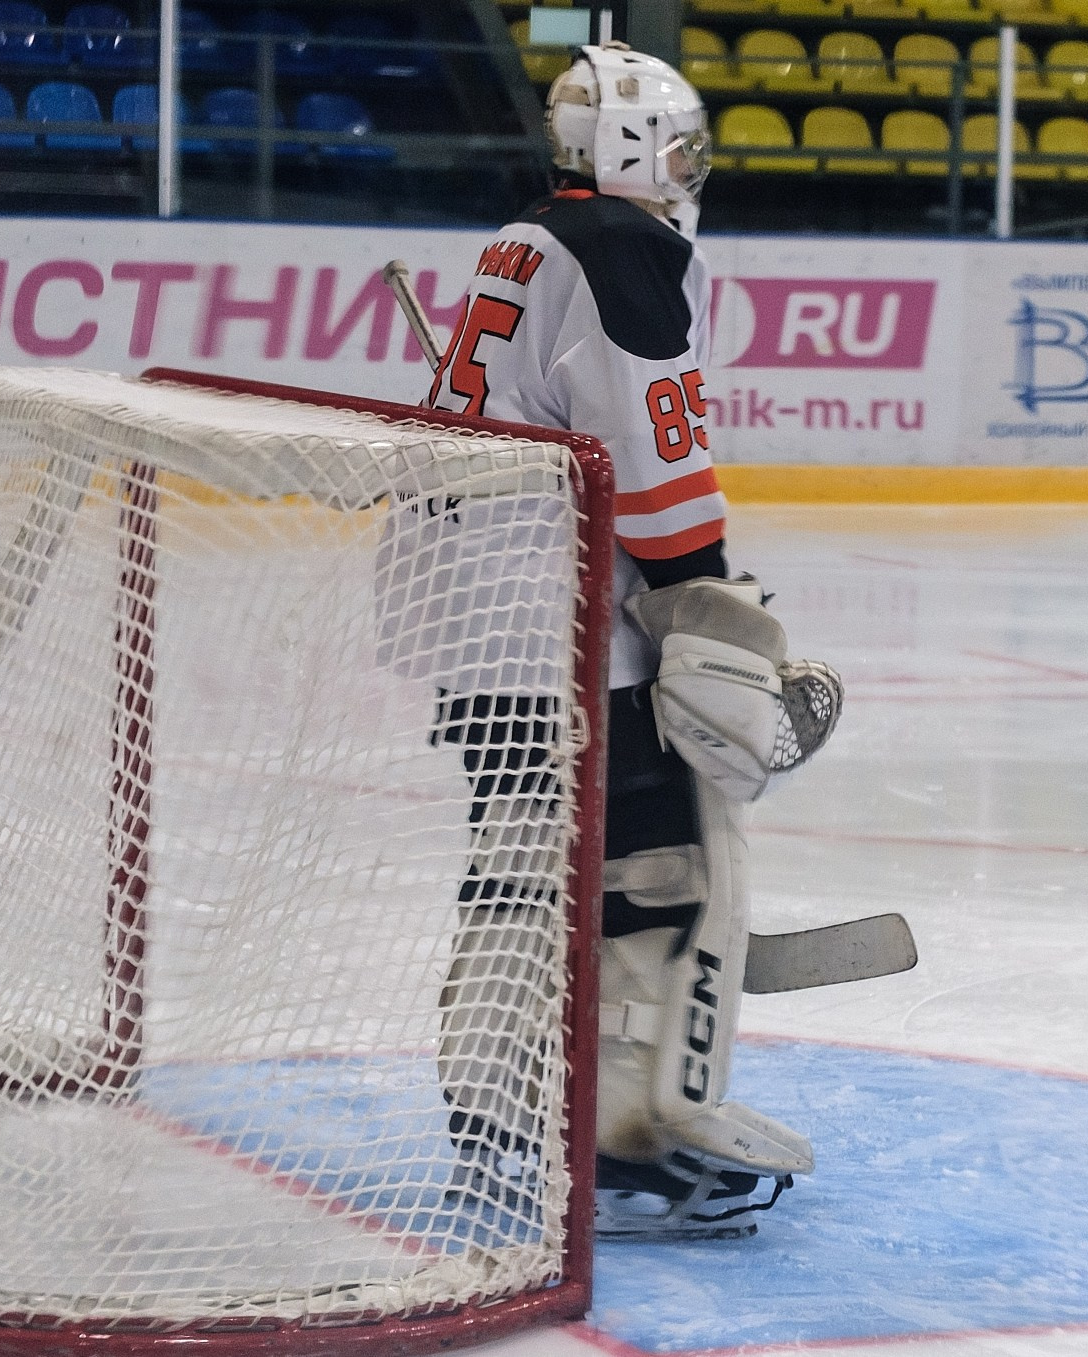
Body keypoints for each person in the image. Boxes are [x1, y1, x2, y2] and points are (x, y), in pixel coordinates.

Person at [407, 42, 838, 1241]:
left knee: (517, 859)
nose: (689, 169)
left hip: (476, 612)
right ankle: (634, 1130)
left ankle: (491, 1112)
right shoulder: (627, 247)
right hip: (563, 618)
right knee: (655, 868)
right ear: (634, 148)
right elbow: (653, 472)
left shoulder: (526, 237)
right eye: (681, 145)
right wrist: (710, 609)